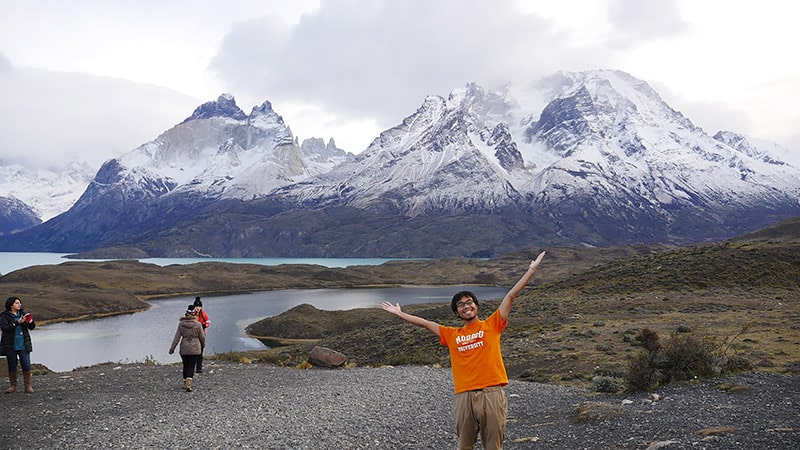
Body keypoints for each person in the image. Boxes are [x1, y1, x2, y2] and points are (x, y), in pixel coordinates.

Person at [381, 251, 546, 450]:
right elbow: (425, 323)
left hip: (492, 393)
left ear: (476, 306)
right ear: (457, 312)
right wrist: (400, 314)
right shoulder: (452, 334)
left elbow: (511, 295)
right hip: (464, 396)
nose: (466, 306)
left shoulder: (492, 324)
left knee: (493, 445)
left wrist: (531, 270)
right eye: (460, 305)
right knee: (464, 446)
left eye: (469, 302)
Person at [1, 296, 37, 394]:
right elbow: (4, 328)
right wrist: (17, 322)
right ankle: (13, 386)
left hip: (23, 344)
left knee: (26, 364)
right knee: (12, 365)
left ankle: (28, 386)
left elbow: (32, 327)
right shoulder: (4, 316)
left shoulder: (23, 314)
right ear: (11, 305)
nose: (19, 304)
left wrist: (30, 322)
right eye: (17, 303)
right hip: (10, 345)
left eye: (19, 303)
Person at [169, 304, 205, 392]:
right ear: (194, 314)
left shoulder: (181, 324)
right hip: (195, 348)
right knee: (191, 366)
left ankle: (185, 382)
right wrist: (202, 345)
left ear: (186, 314)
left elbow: (177, 338)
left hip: (184, 348)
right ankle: (189, 383)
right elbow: (202, 337)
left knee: (185, 365)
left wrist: (172, 348)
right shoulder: (198, 324)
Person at [193, 296, 210, 373]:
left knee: (200, 351)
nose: (198, 308)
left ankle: (199, 368)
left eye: (199, 306)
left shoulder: (203, 313)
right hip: (193, 335)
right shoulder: (192, 314)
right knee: (193, 352)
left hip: (202, 334)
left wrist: (204, 326)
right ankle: (191, 367)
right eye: (196, 306)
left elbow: (208, 322)